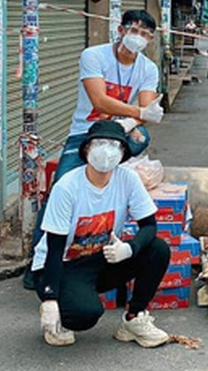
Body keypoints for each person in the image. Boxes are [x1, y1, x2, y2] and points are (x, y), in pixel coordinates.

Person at [24, 10, 164, 289]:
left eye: (146, 35)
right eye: (135, 31)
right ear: (121, 30)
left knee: (141, 137)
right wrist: (137, 114)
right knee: (60, 187)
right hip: (84, 134)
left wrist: (131, 122)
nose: (139, 38)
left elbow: (148, 112)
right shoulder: (94, 56)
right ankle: (37, 263)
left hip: (120, 133)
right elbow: (99, 101)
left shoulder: (148, 68)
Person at [33, 121, 171, 347]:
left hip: (103, 257)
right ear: (87, 149)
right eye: (99, 143)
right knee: (84, 314)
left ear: (123, 152)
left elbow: (149, 226)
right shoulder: (67, 187)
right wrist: (49, 298)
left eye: (114, 145)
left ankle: (134, 319)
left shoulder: (128, 179)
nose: (106, 151)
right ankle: (60, 316)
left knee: (157, 249)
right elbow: (55, 247)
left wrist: (130, 249)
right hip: (62, 264)